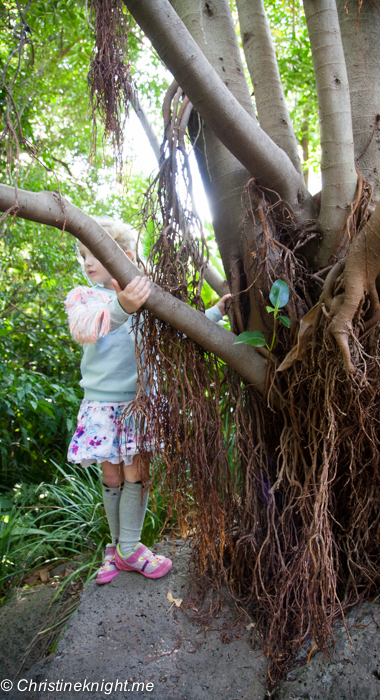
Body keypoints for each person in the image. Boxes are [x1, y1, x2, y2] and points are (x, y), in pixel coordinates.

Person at [66, 217, 230, 584]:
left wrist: (217, 313)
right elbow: (84, 328)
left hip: (139, 404)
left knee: (136, 472)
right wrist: (122, 305)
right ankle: (117, 548)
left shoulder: (147, 296)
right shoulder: (84, 296)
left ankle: (130, 546)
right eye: (82, 254)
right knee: (111, 474)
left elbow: (178, 330)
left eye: (95, 253)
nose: (87, 261)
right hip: (102, 406)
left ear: (122, 255)